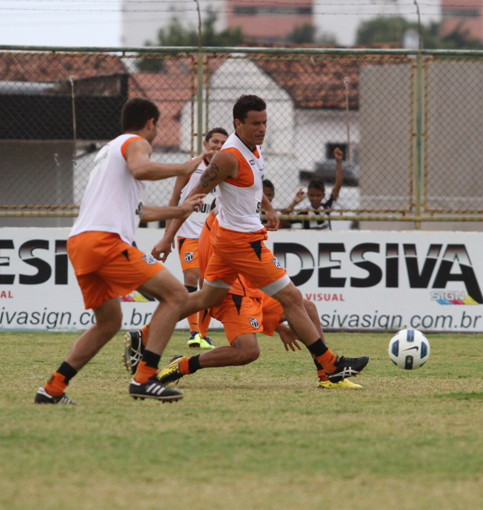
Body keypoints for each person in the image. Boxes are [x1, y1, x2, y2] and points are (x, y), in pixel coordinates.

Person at [141, 94, 368, 384]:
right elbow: (193, 196)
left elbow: (251, 188)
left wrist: (269, 208)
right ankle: (331, 364)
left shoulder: (254, 149)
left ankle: (147, 337)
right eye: (255, 123)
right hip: (242, 243)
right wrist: (167, 237)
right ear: (238, 123)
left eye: (265, 122)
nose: (262, 129)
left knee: (207, 297)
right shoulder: (227, 157)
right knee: (293, 299)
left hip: (232, 240)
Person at [34, 97, 207, 405]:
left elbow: (137, 212)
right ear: (151, 123)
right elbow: (141, 169)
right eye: (158, 127)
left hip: (81, 243)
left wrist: (179, 211)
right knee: (177, 295)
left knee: (109, 322)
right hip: (105, 241)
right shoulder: (135, 142)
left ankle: (53, 389)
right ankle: (145, 378)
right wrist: (183, 166)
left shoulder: (108, 152)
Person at [153, 209, 362, 390]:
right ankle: (183, 364)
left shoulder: (238, 210)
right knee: (248, 352)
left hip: (253, 292)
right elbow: (212, 277)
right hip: (231, 295)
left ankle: (328, 376)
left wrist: (280, 327)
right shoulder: (222, 218)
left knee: (306, 307)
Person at [164, 127, 228, 350]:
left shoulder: (227, 170)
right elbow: (174, 199)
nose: (218, 146)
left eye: (223, 143)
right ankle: (193, 332)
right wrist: (167, 233)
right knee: (192, 276)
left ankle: (203, 333)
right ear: (205, 144)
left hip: (214, 235)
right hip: (188, 233)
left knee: (209, 283)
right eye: (215, 142)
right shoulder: (190, 167)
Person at [284, 147, 344, 230]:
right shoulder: (304, 211)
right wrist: (294, 203)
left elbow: (338, 185)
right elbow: (283, 219)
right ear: (308, 195)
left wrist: (339, 162)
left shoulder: (327, 206)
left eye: (318, 195)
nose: (315, 198)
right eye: (312, 195)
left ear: (323, 195)